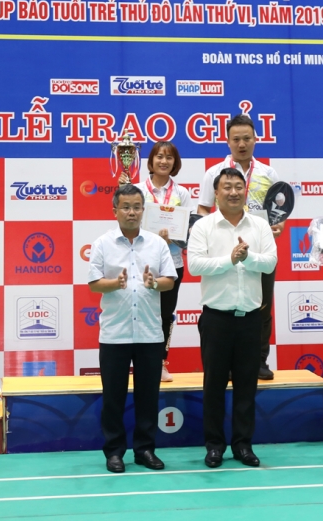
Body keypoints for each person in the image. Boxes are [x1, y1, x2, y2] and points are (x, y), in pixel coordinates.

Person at [189, 168, 277, 468]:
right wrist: (230, 260)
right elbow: (195, 265)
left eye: (239, 186)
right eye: (226, 187)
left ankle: (243, 445)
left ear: (245, 191)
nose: (233, 192)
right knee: (213, 385)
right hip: (216, 318)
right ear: (216, 193)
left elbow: (270, 262)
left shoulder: (260, 225)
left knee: (246, 386)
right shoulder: (203, 226)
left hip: (250, 318)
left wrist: (247, 258)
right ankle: (214, 446)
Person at [88, 184, 177, 474]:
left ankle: (145, 450)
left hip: (150, 333)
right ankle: (114, 452)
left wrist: (154, 283)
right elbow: (94, 283)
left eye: (137, 207)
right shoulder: (103, 243)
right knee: (113, 397)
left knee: (148, 397)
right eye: (125, 207)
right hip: (115, 333)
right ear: (115, 210)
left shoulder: (157, 243)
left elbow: (169, 280)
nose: (131, 212)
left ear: (143, 210)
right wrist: (115, 284)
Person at [198, 115, 282, 380]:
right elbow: (203, 208)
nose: (242, 144)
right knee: (222, 306)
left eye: (247, 138)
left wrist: (278, 225)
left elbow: (278, 211)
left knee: (262, 305)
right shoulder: (214, 173)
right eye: (236, 139)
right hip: (223, 247)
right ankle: (224, 365)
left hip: (259, 247)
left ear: (256, 139)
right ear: (227, 141)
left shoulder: (268, 173)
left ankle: (259, 360)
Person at [130, 141, 192, 383]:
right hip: (140, 262)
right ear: (151, 161)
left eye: (169, 157)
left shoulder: (182, 193)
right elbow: (127, 224)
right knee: (138, 312)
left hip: (171, 262)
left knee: (165, 315)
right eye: (159, 156)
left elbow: (188, 231)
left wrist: (172, 237)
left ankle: (160, 363)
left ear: (175, 163)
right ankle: (138, 362)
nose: (164, 161)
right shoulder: (137, 190)